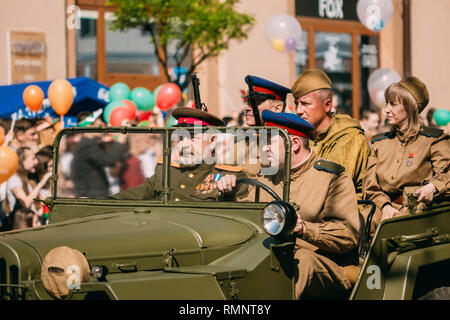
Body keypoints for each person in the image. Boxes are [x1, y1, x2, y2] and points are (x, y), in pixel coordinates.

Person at [218, 110, 360, 299]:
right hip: (271, 255)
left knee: (301, 261)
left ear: (293, 144)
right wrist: (229, 195)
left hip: (324, 263)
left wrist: (304, 229)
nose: (264, 148)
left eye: (269, 142)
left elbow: (347, 235)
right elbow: (249, 216)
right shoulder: (267, 175)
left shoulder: (332, 177)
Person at [362, 76, 449, 229]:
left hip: (418, 213)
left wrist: (434, 187)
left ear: (412, 107)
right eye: (386, 103)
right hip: (381, 209)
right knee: (355, 224)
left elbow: (445, 175)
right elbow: (370, 186)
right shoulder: (379, 143)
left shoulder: (434, 140)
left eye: (393, 104)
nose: (386, 110)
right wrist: (385, 206)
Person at [111, 107, 248, 202]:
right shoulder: (166, 171)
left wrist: (229, 190)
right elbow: (137, 193)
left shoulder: (229, 175)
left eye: (193, 138)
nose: (184, 145)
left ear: (212, 141)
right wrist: (96, 202)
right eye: (181, 137)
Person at [291, 69, 370, 200]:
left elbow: (333, 188)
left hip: (343, 213)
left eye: (305, 104)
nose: (298, 111)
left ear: (327, 105)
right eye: (296, 103)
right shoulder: (300, 135)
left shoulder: (348, 137)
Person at [71, 111, 127, 197]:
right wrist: (122, 137)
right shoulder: (87, 145)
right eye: (100, 126)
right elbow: (109, 160)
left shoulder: (88, 144)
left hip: (92, 196)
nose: (103, 129)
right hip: (90, 198)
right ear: (89, 127)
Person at [2, 147, 52, 227]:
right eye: (33, 159)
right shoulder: (14, 179)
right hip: (18, 225)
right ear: (23, 161)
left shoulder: (29, 179)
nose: (36, 162)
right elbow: (26, 203)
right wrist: (42, 182)